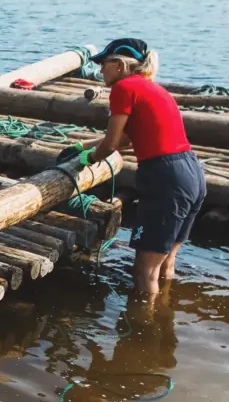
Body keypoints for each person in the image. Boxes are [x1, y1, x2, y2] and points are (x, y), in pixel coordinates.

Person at [59, 38, 205, 297]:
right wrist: (82, 145)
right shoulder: (152, 88)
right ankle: (162, 322)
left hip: (165, 178)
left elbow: (112, 144)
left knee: (143, 273)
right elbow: (127, 138)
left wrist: (87, 160)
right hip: (192, 173)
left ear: (119, 64)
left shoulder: (123, 88)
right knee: (164, 266)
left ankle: (143, 330)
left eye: (103, 64)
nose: (100, 70)